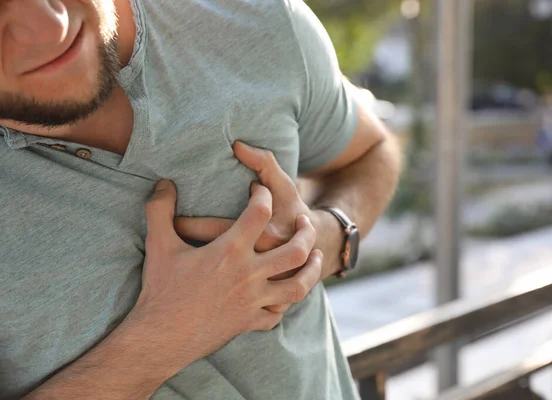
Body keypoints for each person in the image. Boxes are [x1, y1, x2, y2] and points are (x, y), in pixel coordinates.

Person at [0, 0, 400, 399]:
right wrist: (168, 334)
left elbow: (372, 151)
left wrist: (323, 243)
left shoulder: (254, 15)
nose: (51, 25)